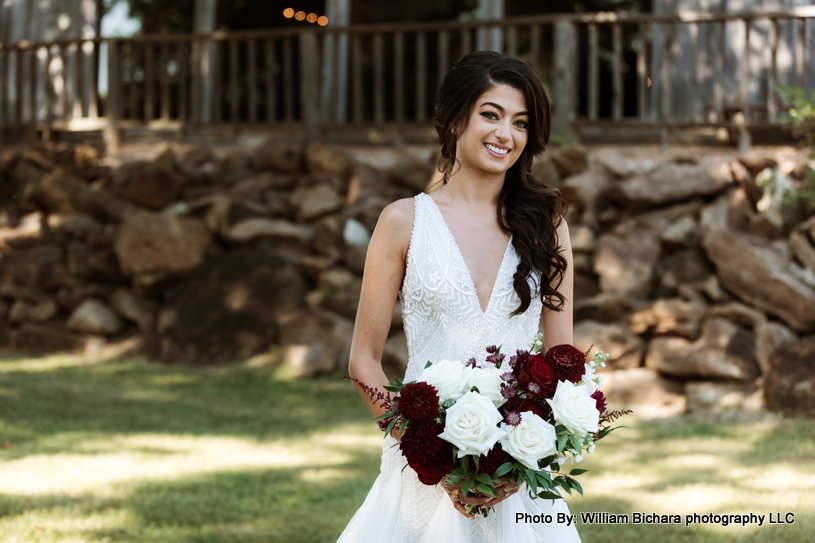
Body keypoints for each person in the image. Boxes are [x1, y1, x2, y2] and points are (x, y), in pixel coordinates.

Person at [339, 51, 581, 543]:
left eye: (520, 123)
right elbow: (363, 360)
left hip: (519, 477)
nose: (505, 134)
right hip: (421, 477)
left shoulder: (548, 227)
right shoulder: (403, 221)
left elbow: (563, 361)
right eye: (490, 115)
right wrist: (430, 454)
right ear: (455, 119)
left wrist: (523, 460)